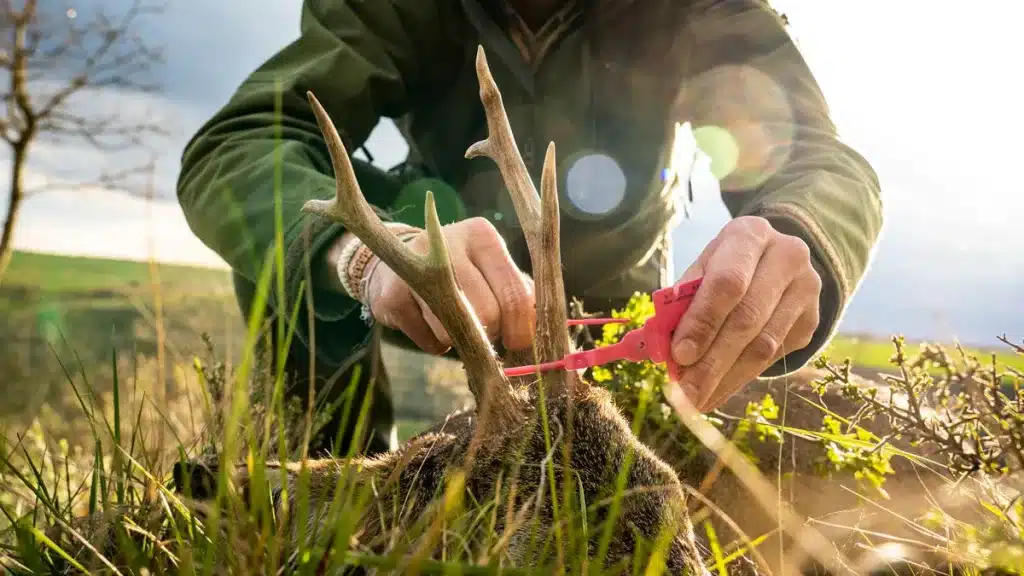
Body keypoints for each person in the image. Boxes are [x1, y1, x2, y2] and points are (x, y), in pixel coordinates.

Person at [176, 0, 883, 457]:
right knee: (298, 229)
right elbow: (242, 145)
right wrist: (368, 256)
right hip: (443, 286)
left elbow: (814, 159)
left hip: (619, 318)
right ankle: (328, 482)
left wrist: (798, 231)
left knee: (624, 493)